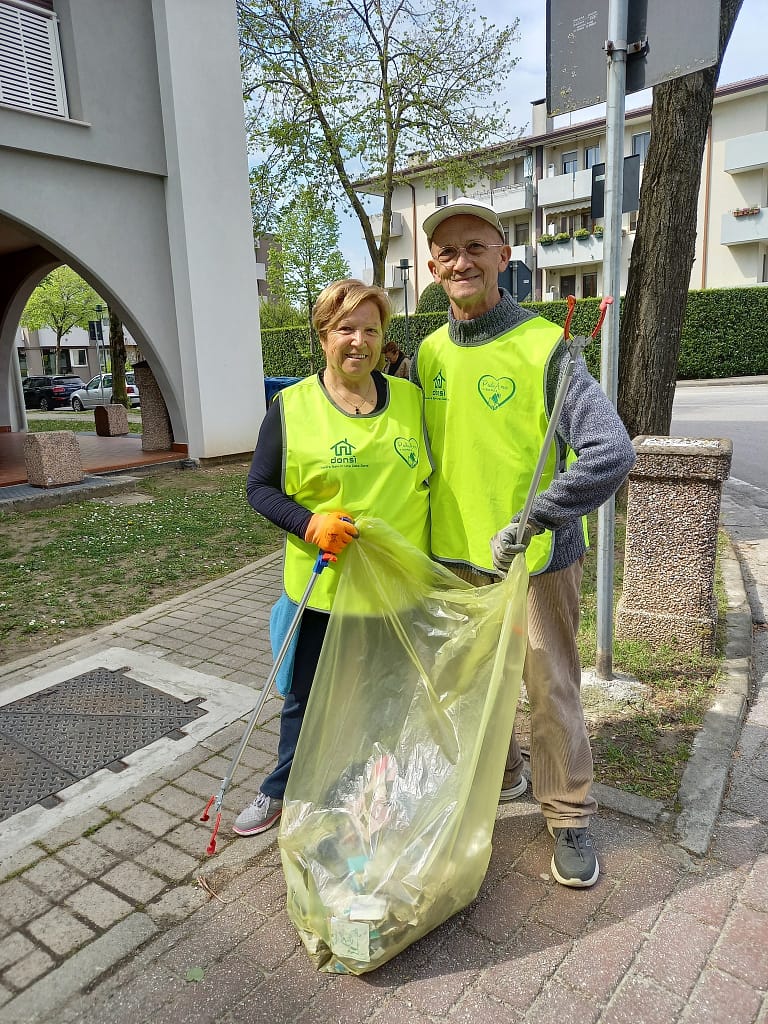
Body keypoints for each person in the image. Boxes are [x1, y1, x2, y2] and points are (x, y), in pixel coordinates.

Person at [412, 196, 636, 888]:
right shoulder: (426, 352)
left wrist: (538, 516)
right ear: (431, 267)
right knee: (474, 687)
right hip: (456, 559)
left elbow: (610, 451)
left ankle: (568, 814)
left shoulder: (545, 347)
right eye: (448, 252)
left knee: (551, 689)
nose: (461, 261)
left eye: (476, 247)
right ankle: (506, 773)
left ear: (503, 258)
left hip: (535, 561)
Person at [234, 279, 432, 837]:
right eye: (345, 328)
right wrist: (308, 522)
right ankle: (281, 789)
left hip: (395, 588)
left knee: (386, 698)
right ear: (323, 335)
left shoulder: (411, 401)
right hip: (321, 589)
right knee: (305, 699)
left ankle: (376, 792)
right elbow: (259, 489)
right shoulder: (291, 407)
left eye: (371, 329)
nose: (358, 341)